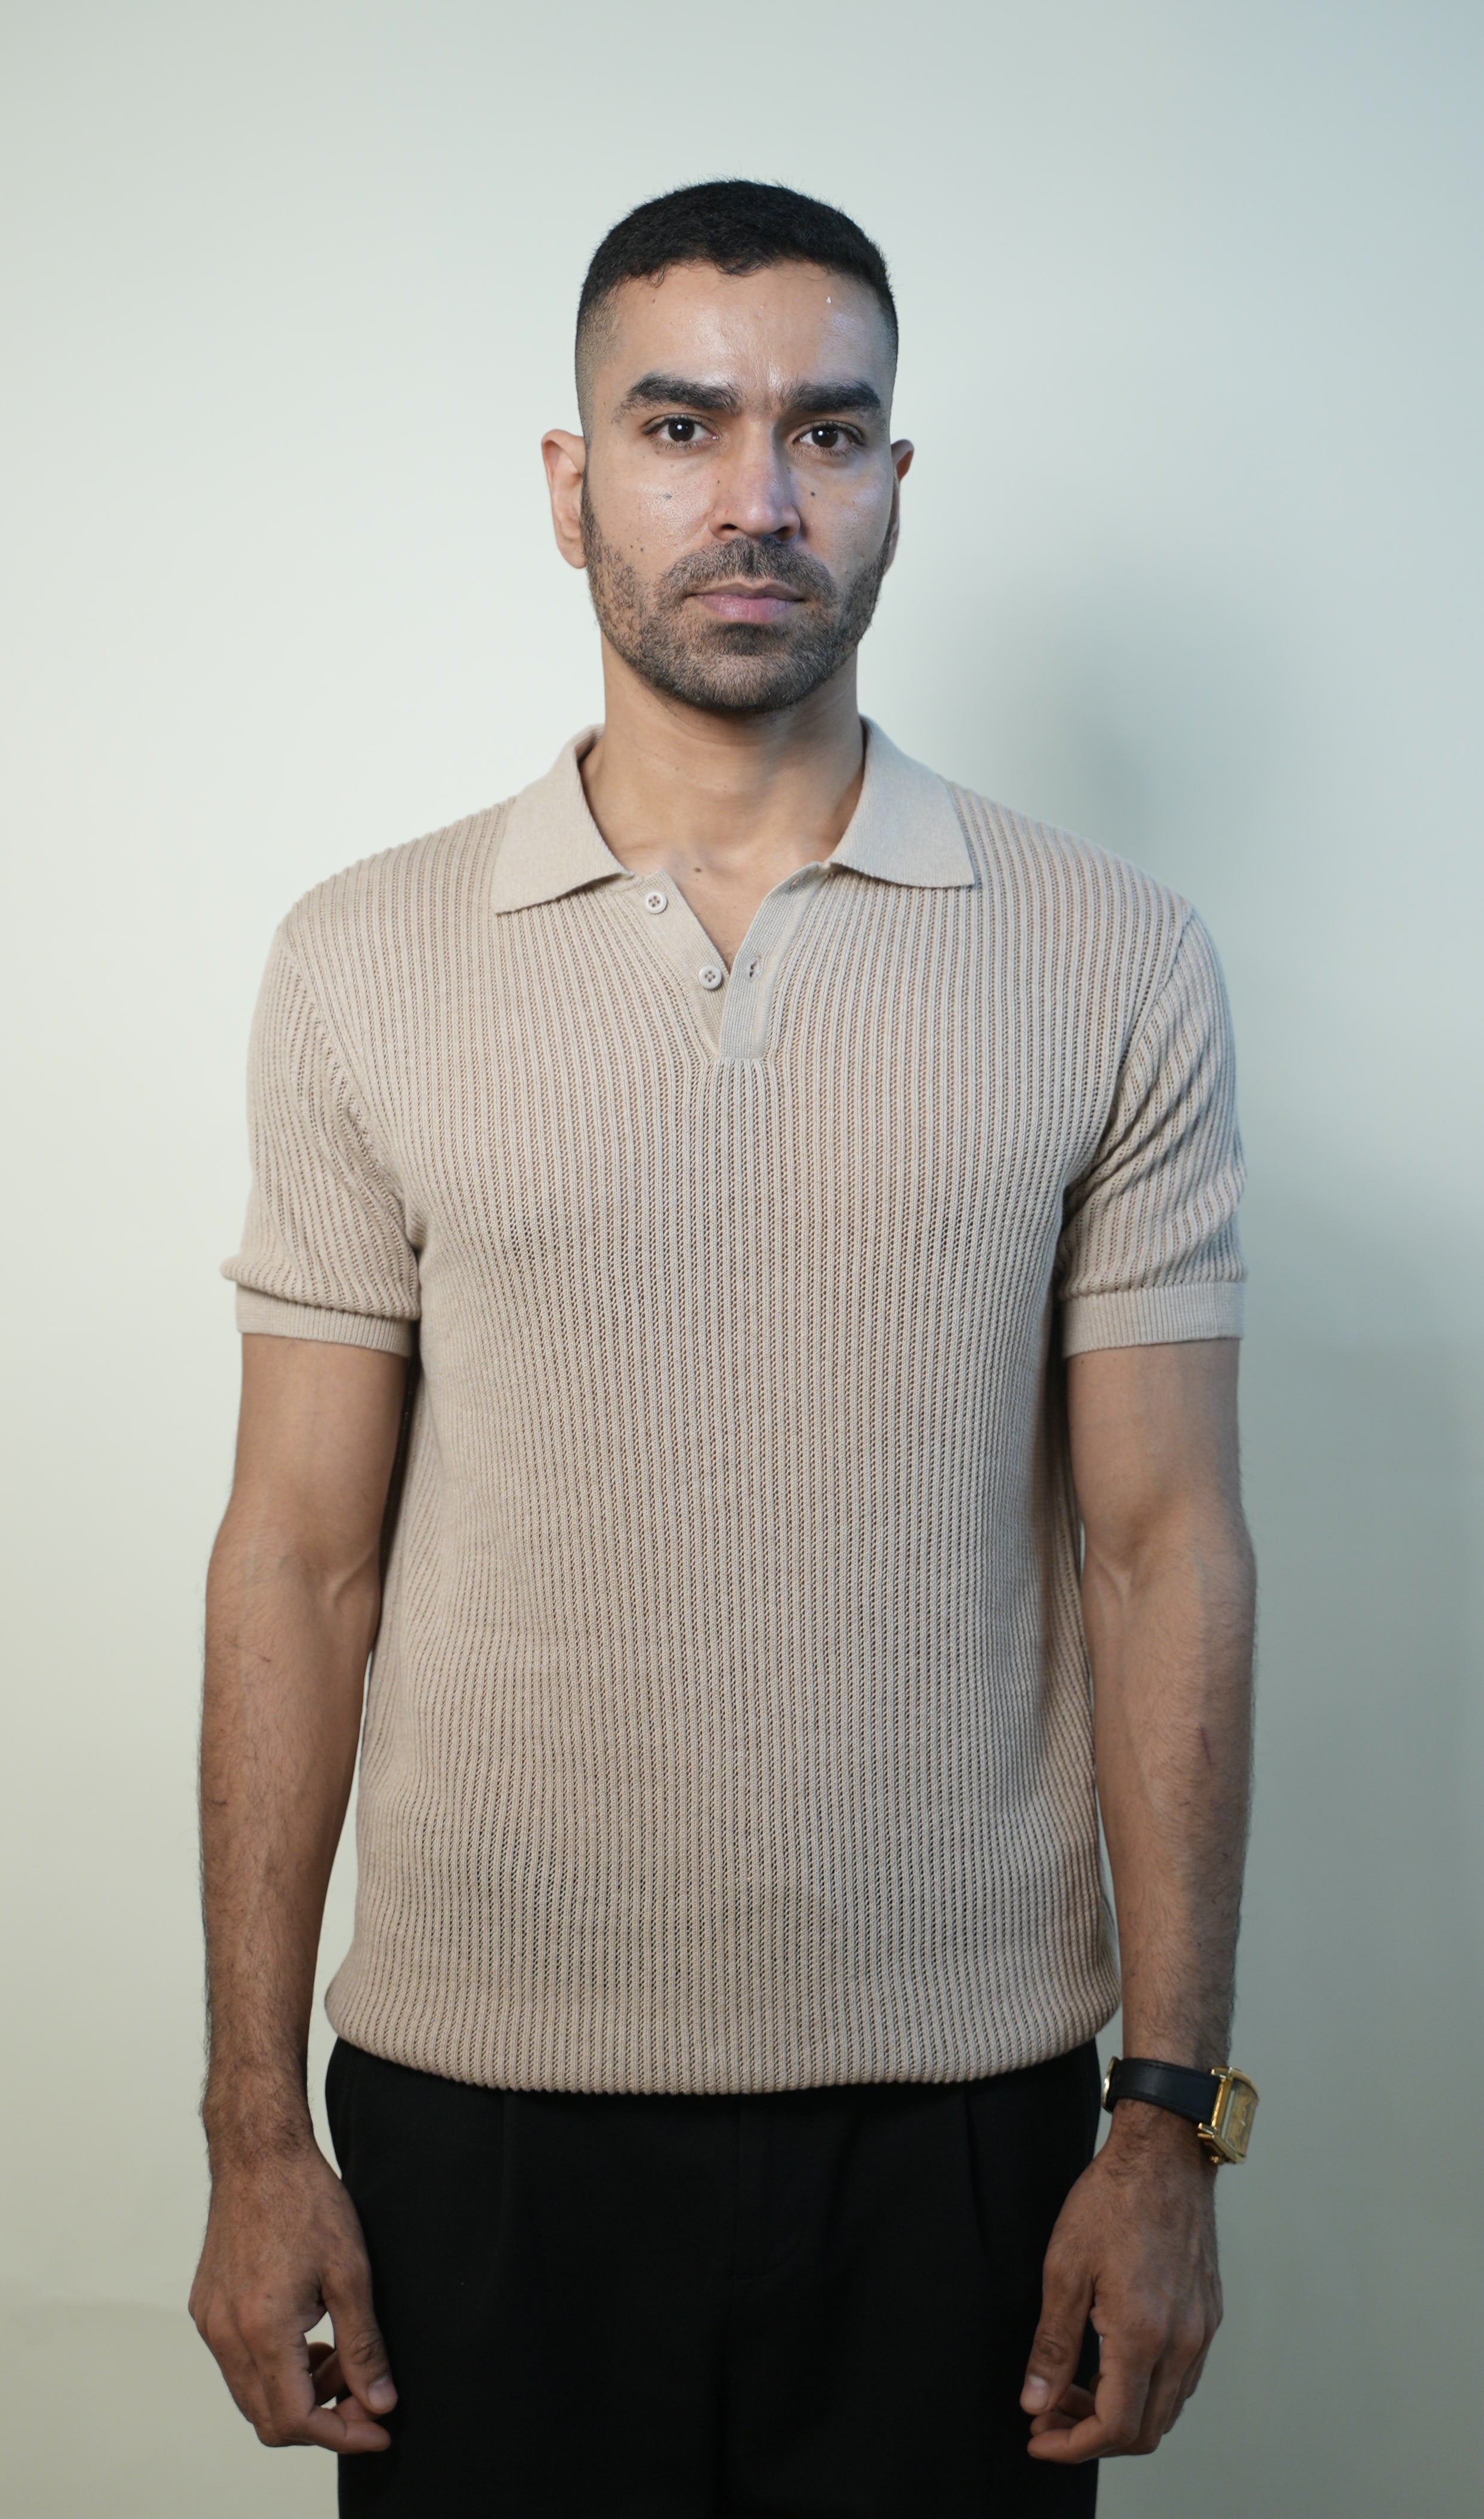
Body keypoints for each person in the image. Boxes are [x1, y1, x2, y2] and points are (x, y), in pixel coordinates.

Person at [188, 179, 1256, 2515]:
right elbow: (296, 1559)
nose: (759, 496)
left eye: (827, 432)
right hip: (474, 2131)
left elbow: (1165, 1545)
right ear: (571, 484)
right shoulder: (366, 958)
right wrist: (255, 2128)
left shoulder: (1112, 957)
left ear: (896, 482)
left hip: (969, 2137)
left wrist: (1167, 2123)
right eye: (681, 427)